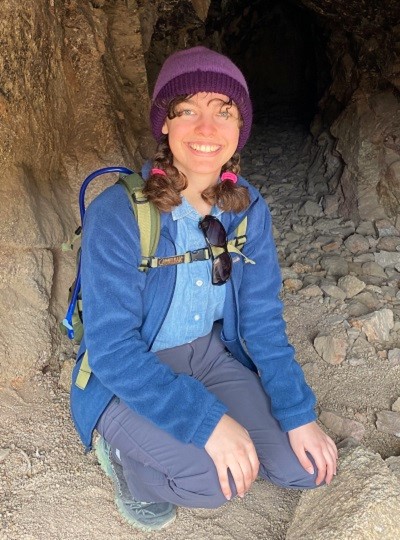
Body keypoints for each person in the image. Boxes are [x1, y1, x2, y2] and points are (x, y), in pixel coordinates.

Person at [70, 46, 337, 532]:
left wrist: (299, 413)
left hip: (208, 356)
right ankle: (122, 457)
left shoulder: (247, 206)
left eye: (224, 110)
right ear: (165, 125)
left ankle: (202, 426)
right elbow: (111, 348)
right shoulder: (119, 213)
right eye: (187, 109)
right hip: (127, 372)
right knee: (211, 484)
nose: (207, 128)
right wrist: (208, 422)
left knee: (305, 469)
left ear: (241, 128)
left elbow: (260, 320)